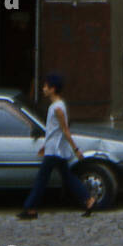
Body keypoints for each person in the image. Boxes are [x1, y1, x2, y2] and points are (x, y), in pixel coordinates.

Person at [16, 73, 97, 220]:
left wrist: (76, 149)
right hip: (54, 149)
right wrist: (45, 146)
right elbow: (53, 131)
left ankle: (30, 208)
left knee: (42, 179)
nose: (43, 88)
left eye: (46, 86)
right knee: (67, 177)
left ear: (53, 89)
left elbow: (65, 130)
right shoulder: (55, 106)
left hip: (55, 151)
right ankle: (88, 199)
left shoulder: (57, 108)